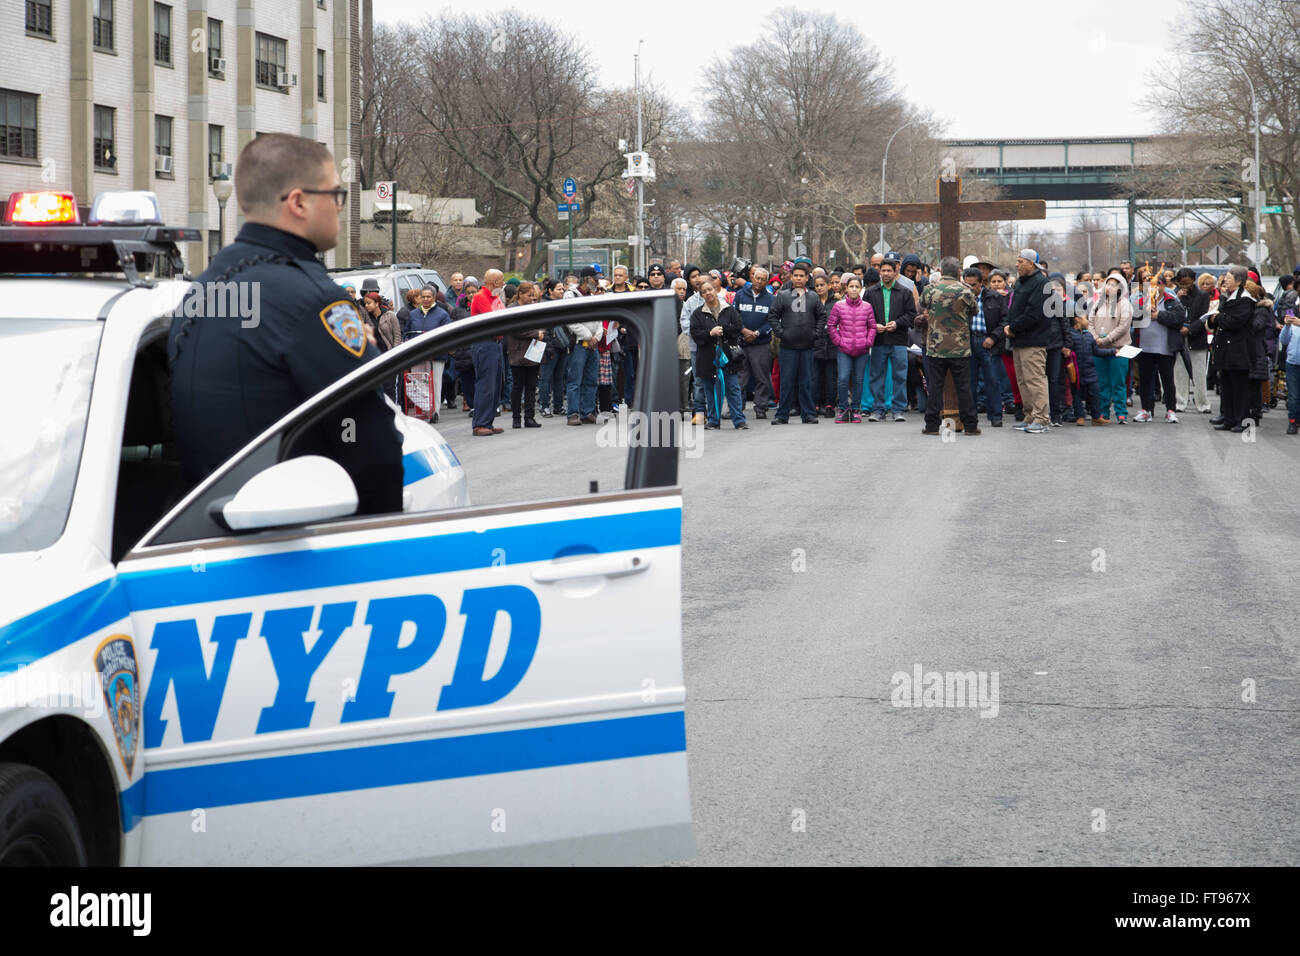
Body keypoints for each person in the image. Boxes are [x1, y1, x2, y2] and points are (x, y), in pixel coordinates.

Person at [168, 132, 402, 513]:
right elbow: (371, 445)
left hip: (198, 529)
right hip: (298, 544)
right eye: (335, 195)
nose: (340, 207)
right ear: (299, 202)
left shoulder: (203, 290)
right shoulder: (313, 300)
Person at [919, 257, 980, 436]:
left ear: (942, 271)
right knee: (963, 387)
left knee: (936, 387)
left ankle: (931, 425)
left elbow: (923, 304)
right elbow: (974, 311)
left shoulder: (930, 290)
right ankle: (970, 425)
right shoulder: (966, 291)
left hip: (936, 347)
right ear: (959, 272)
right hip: (959, 347)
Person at [767, 261, 825, 424]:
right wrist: (781, 333)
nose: (798, 278)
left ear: (807, 278)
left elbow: (822, 316)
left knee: (806, 382)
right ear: (791, 277)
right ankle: (782, 415)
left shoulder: (813, 296)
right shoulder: (783, 296)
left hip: (807, 347)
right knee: (786, 382)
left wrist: (816, 333)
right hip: (787, 347)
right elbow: (772, 316)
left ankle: (808, 414)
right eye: (796, 276)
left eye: (802, 276)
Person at [1003, 249, 1053, 434]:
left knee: (1035, 380)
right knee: (1023, 380)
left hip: (1033, 340)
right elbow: (1014, 308)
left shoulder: (1041, 283)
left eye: (1020, 261)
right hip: (1020, 340)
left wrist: (1013, 328)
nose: (1017, 265)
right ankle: (1030, 415)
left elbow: (1033, 313)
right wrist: (1008, 324)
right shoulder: (1021, 283)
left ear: (1031, 263)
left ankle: (1042, 418)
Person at [689, 277, 747, 429]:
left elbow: (738, 326)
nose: (708, 293)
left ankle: (739, 420)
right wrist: (710, 332)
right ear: (701, 295)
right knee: (710, 391)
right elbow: (695, 334)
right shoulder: (697, 314)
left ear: (715, 290)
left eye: (710, 289)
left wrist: (723, 329)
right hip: (708, 359)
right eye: (704, 291)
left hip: (728, 357)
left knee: (733, 388)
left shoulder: (728, 309)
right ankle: (714, 421)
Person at [864, 254, 916, 422]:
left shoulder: (905, 292)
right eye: (883, 270)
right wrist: (874, 325)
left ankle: (898, 409)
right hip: (878, 340)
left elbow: (911, 315)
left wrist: (897, 323)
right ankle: (878, 409)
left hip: (899, 339)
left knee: (900, 375)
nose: (885, 273)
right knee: (876, 375)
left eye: (889, 271)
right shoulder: (871, 293)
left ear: (895, 272)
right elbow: (864, 314)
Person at [1131, 271, 1185, 422]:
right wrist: (1144, 311)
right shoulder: (1140, 300)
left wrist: (1158, 316)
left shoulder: (1171, 301)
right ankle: (1146, 409)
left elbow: (1178, 319)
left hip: (1165, 348)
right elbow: (1132, 318)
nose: (1154, 287)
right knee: (1145, 380)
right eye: (1151, 285)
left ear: (1164, 285)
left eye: (1158, 284)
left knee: (1167, 379)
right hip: (1144, 347)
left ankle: (1171, 410)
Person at [1206, 266, 1255, 432]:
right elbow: (1218, 320)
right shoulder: (1227, 297)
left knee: (1239, 388)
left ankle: (1242, 421)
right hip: (1225, 350)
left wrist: (1218, 317)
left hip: (1238, 351)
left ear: (1239, 281)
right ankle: (1229, 418)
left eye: (1228, 277)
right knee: (1226, 386)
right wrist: (1213, 319)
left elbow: (1235, 322)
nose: (1225, 280)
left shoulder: (1245, 300)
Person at [826, 274, 876, 422]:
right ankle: (843, 409)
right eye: (851, 286)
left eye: (857, 287)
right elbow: (831, 325)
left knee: (859, 380)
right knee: (843, 378)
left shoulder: (867, 307)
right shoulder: (839, 306)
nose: (854, 289)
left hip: (862, 349)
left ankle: (855, 409)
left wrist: (868, 342)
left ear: (860, 289)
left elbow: (872, 326)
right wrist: (839, 341)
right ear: (846, 288)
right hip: (844, 349)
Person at [964, 266, 1006, 427]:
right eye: (967, 285)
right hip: (969, 342)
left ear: (981, 283)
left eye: (974, 285)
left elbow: (1004, 320)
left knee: (992, 380)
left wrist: (993, 337)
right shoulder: (963, 298)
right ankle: (970, 416)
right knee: (970, 382)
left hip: (989, 342)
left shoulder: (994, 297)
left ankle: (995, 415)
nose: (971, 288)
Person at [1089, 272, 1133, 424]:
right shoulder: (1098, 303)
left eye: (1114, 285)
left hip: (1119, 348)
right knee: (1102, 383)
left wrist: (1106, 339)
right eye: (1108, 283)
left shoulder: (1125, 304)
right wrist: (1094, 338)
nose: (1109, 287)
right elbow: (1090, 322)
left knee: (1119, 382)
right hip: (1099, 349)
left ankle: (1121, 413)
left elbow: (1123, 326)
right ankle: (1103, 412)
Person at [732, 266, 775, 419]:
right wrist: (743, 331)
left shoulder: (771, 299)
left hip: (761, 344)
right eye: (757, 278)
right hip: (741, 342)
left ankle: (761, 408)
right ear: (752, 278)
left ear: (767, 282)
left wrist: (757, 333)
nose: (759, 281)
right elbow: (734, 316)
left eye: (763, 279)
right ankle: (736, 408)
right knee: (739, 379)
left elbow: (772, 321)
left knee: (762, 377)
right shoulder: (739, 295)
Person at [469, 269, 506, 436]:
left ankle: (488, 422)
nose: (503, 284)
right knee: (485, 384)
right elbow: (495, 320)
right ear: (494, 282)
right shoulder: (480, 297)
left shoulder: (494, 297)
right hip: (484, 344)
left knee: (496, 384)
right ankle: (480, 423)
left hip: (496, 343)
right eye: (501, 281)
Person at [505, 284, 545, 429]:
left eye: (532, 295)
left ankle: (530, 417)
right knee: (517, 386)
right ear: (520, 294)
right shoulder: (512, 309)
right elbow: (514, 329)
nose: (531, 298)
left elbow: (542, 323)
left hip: (533, 351)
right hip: (518, 353)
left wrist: (541, 331)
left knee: (531, 387)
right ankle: (516, 418)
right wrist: (535, 333)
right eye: (528, 295)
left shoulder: (533, 307)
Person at [1172, 267, 1211, 413]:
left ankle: (1203, 403)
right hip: (1179, 338)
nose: (1185, 287)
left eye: (1187, 283)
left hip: (1196, 337)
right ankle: (1180, 402)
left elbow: (1203, 317)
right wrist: (1178, 298)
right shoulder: (1176, 295)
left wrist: (1190, 329)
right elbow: (1171, 312)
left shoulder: (1202, 295)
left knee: (1199, 373)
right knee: (1179, 372)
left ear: (1193, 281)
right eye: (1181, 283)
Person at [1068, 311, 1114, 424]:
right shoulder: (1070, 335)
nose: (1087, 321)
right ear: (1077, 320)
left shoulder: (1089, 336)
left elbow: (1097, 351)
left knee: (1095, 393)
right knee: (1077, 395)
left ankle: (1096, 416)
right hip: (1077, 372)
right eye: (1085, 318)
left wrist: (1113, 352)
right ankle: (1080, 416)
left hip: (1090, 372)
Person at [812, 273, 838, 417]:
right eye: (817, 286)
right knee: (815, 377)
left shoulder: (836, 302)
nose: (820, 288)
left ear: (829, 286)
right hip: (816, 344)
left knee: (831, 377)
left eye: (822, 285)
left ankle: (829, 405)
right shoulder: (812, 301)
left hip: (832, 345)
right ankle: (815, 404)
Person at [1279, 307, 1300, 434]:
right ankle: (1293, 421)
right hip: (1292, 363)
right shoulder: (1294, 324)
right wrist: (1286, 326)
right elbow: (1283, 340)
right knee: (1293, 396)